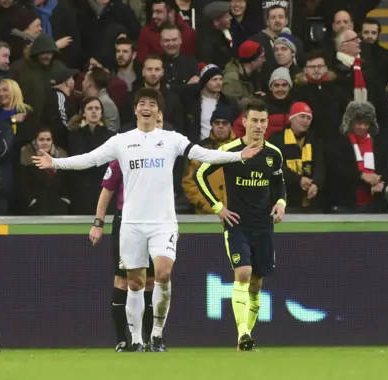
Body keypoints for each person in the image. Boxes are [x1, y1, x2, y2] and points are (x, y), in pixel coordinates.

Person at [33, 87, 261, 352]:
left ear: (158, 111)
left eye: (152, 104)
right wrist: (56, 162)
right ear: (135, 109)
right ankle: (137, 340)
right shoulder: (121, 141)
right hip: (131, 223)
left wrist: (237, 156)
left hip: (163, 222)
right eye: (142, 103)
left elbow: (203, 154)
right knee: (135, 282)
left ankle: (157, 333)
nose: (146, 107)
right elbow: (89, 159)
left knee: (163, 274)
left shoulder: (171, 139)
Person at [193, 98, 287, 351]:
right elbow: (199, 174)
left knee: (256, 284)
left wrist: (280, 202)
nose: (258, 125)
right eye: (254, 120)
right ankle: (243, 333)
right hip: (237, 224)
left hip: (264, 226)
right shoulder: (230, 151)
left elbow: (279, 184)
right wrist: (217, 207)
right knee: (243, 273)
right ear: (244, 122)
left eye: (263, 121)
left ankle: (245, 337)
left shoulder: (273, 154)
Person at [89, 112, 164, 352]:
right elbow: (107, 189)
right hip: (128, 221)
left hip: (157, 221)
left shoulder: (167, 154)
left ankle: (151, 338)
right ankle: (124, 339)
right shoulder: (125, 153)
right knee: (125, 281)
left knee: (153, 282)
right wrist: (98, 222)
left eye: (159, 122)